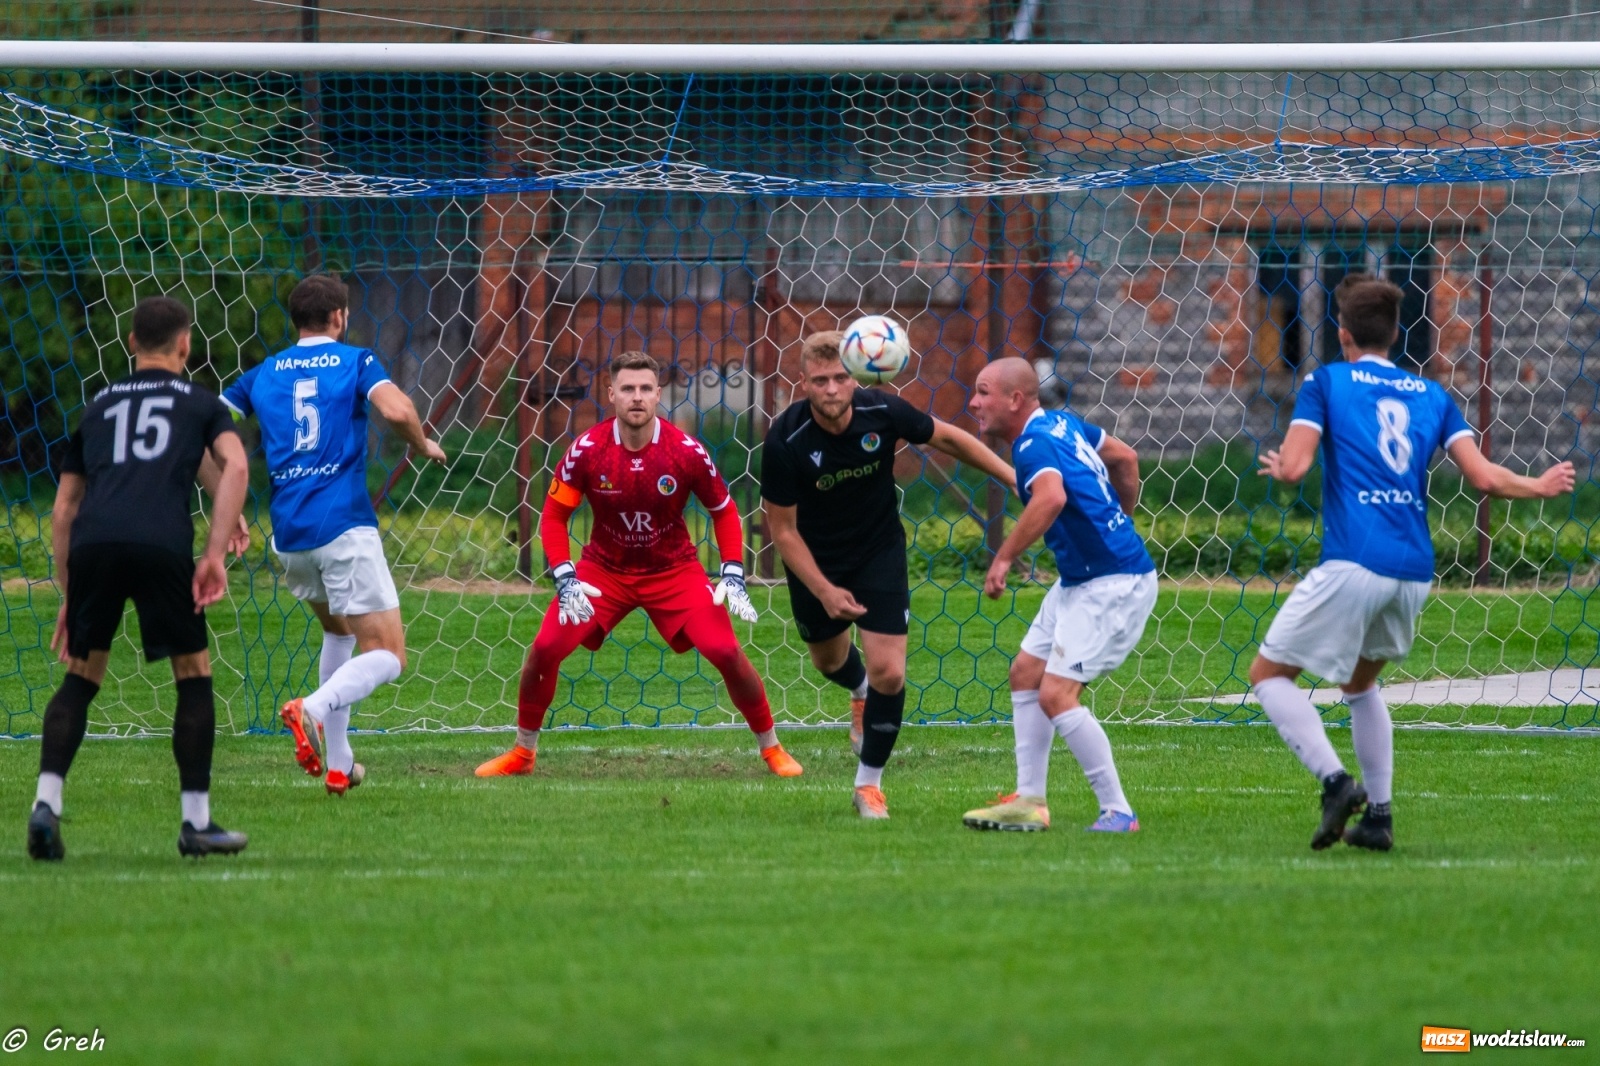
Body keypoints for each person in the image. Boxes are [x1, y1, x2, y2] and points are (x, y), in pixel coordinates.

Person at [1251, 275, 1574, 852]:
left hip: (1355, 558)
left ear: (1342, 333)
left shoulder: (1326, 381)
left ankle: (1335, 782)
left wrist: (1282, 467)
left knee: (1269, 676)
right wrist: (1540, 484)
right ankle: (1378, 816)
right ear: (1396, 334)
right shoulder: (1431, 395)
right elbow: (1482, 478)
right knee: (1359, 682)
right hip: (1412, 569)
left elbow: (1297, 467)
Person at [475, 351, 803, 779]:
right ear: (611, 394)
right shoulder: (586, 450)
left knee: (725, 650)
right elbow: (554, 517)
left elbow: (723, 511)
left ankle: (772, 748)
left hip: (673, 571)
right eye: (627, 389)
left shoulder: (685, 451)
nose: (637, 397)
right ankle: (522, 753)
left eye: (646, 389)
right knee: (544, 649)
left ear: (657, 395)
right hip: (604, 572)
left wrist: (733, 571)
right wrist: (564, 575)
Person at [28, 295, 251, 860]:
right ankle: (195, 823)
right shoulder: (201, 402)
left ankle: (46, 806)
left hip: (96, 544)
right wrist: (215, 551)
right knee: (192, 674)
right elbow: (235, 466)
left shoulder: (99, 405)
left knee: (81, 676)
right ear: (185, 345)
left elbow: (63, 509)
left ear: (130, 343)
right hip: (160, 543)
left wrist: (69, 592)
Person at [761, 330, 1015, 820]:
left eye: (840, 377)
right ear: (803, 384)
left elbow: (948, 437)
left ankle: (868, 786)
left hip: (878, 552)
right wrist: (825, 590)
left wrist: (1011, 475)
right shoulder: (784, 440)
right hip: (815, 561)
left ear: (856, 376)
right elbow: (784, 532)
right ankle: (858, 692)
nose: (832, 389)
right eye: (820, 381)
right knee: (829, 662)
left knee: (891, 672)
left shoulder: (884, 411)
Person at [219, 274, 447, 796]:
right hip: (342, 526)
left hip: (290, 534)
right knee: (389, 654)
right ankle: (314, 708)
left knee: (340, 633)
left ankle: (340, 762)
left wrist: (226, 502)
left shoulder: (263, 372)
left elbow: (211, 420)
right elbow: (396, 409)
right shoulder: (357, 360)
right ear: (340, 317)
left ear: (295, 320)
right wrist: (421, 442)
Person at [960, 357, 1153, 834]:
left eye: (983, 393)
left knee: (1057, 694)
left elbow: (1050, 498)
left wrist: (1003, 557)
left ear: (1015, 400)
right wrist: (1119, 521)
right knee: (1026, 673)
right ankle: (1030, 801)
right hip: (1083, 578)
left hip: (1111, 583)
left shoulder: (1032, 443)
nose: (974, 403)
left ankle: (1119, 811)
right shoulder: (1061, 423)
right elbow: (1125, 458)